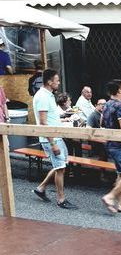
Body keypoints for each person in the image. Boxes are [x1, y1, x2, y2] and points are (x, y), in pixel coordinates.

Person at [32, 69, 77, 209]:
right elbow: (43, 122)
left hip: (56, 136)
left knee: (60, 165)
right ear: (49, 82)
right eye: (57, 80)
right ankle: (61, 199)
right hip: (51, 139)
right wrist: (52, 144)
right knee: (60, 167)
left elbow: (50, 118)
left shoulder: (49, 95)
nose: (59, 83)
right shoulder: (43, 96)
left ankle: (41, 188)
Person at [101, 79, 121, 213]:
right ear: (119, 90)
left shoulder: (107, 104)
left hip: (110, 144)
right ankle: (110, 196)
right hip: (120, 146)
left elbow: (102, 123)